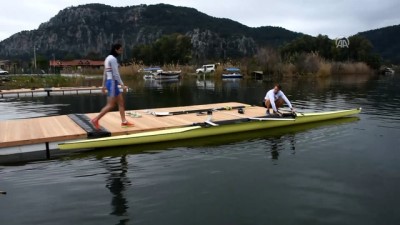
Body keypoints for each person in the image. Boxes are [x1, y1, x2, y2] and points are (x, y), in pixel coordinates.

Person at [91, 43, 134, 129]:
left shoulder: (107, 59)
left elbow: (105, 73)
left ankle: (124, 121)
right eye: (120, 50)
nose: (121, 52)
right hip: (113, 83)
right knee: (110, 105)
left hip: (109, 82)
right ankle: (95, 119)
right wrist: (122, 85)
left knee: (121, 102)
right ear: (116, 50)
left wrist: (103, 85)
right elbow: (116, 74)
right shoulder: (113, 59)